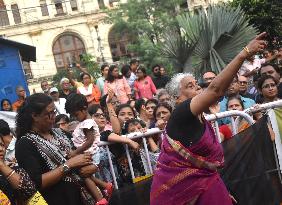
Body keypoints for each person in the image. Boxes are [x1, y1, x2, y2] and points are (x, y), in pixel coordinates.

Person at [150, 33, 267, 205]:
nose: (198, 88)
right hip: (184, 196)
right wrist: (244, 53)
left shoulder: (201, 118)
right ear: (177, 98)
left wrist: (221, 190)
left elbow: (205, 167)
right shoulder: (181, 114)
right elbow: (215, 90)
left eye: (197, 84)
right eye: (190, 86)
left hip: (207, 188)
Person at [15, 93, 100, 205]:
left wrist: (93, 166)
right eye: (49, 114)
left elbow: (81, 155)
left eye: (54, 112)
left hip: (84, 196)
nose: (54, 117)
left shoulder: (61, 133)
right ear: (35, 116)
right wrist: (68, 165)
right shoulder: (25, 143)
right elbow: (36, 182)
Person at [65, 94, 113, 204]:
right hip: (87, 153)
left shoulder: (88, 123)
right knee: (86, 175)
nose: (75, 117)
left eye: (76, 114)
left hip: (90, 153)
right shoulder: (83, 123)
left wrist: (75, 152)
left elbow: (90, 140)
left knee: (85, 176)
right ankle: (105, 186)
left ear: (84, 108)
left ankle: (100, 199)